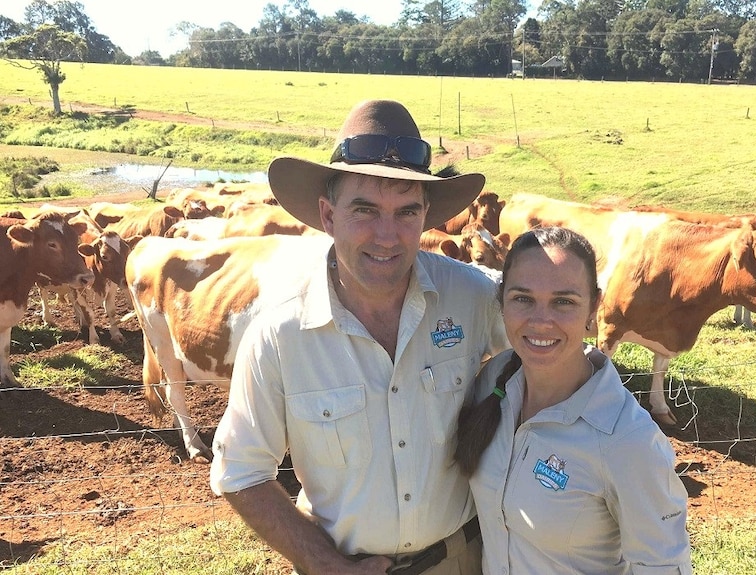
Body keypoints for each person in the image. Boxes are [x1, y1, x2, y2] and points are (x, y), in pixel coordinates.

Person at [209, 99, 509, 575]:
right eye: (365, 210)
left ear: (427, 215)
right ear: (328, 215)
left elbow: (554, 352)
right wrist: (324, 564)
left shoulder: (472, 295)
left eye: (407, 212)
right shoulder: (280, 333)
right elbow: (240, 472)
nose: (387, 236)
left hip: (464, 559)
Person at [454, 226, 693, 575]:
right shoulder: (496, 381)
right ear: (502, 300)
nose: (540, 321)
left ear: (594, 306)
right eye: (523, 298)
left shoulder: (627, 439)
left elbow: (663, 566)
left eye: (563, 302)